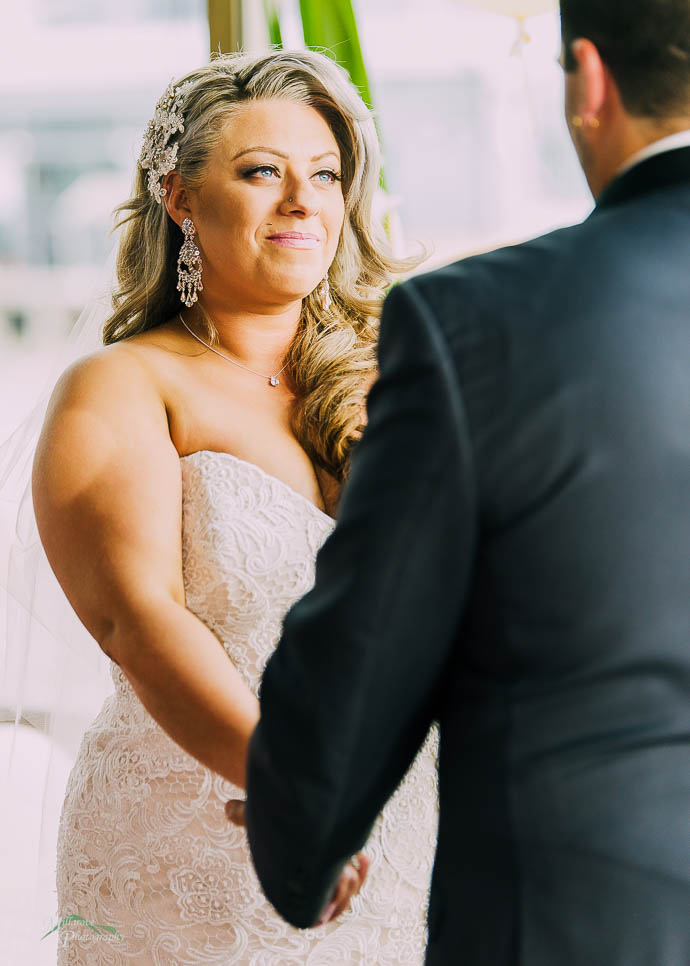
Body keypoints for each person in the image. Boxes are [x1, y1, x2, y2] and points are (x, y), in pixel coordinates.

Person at [233, 3, 690, 964]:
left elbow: (367, 647)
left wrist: (303, 832)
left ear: (591, 82)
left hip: (584, 927)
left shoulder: (480, 323)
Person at [29, 50, 437, 963]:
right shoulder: (122, 386)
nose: (304, 202)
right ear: (179, 197)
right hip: (197, 842)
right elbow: (136, 617)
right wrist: (294, 790)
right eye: (263, 172)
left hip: (403, 836)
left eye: (325, 176)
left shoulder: (401, 379)